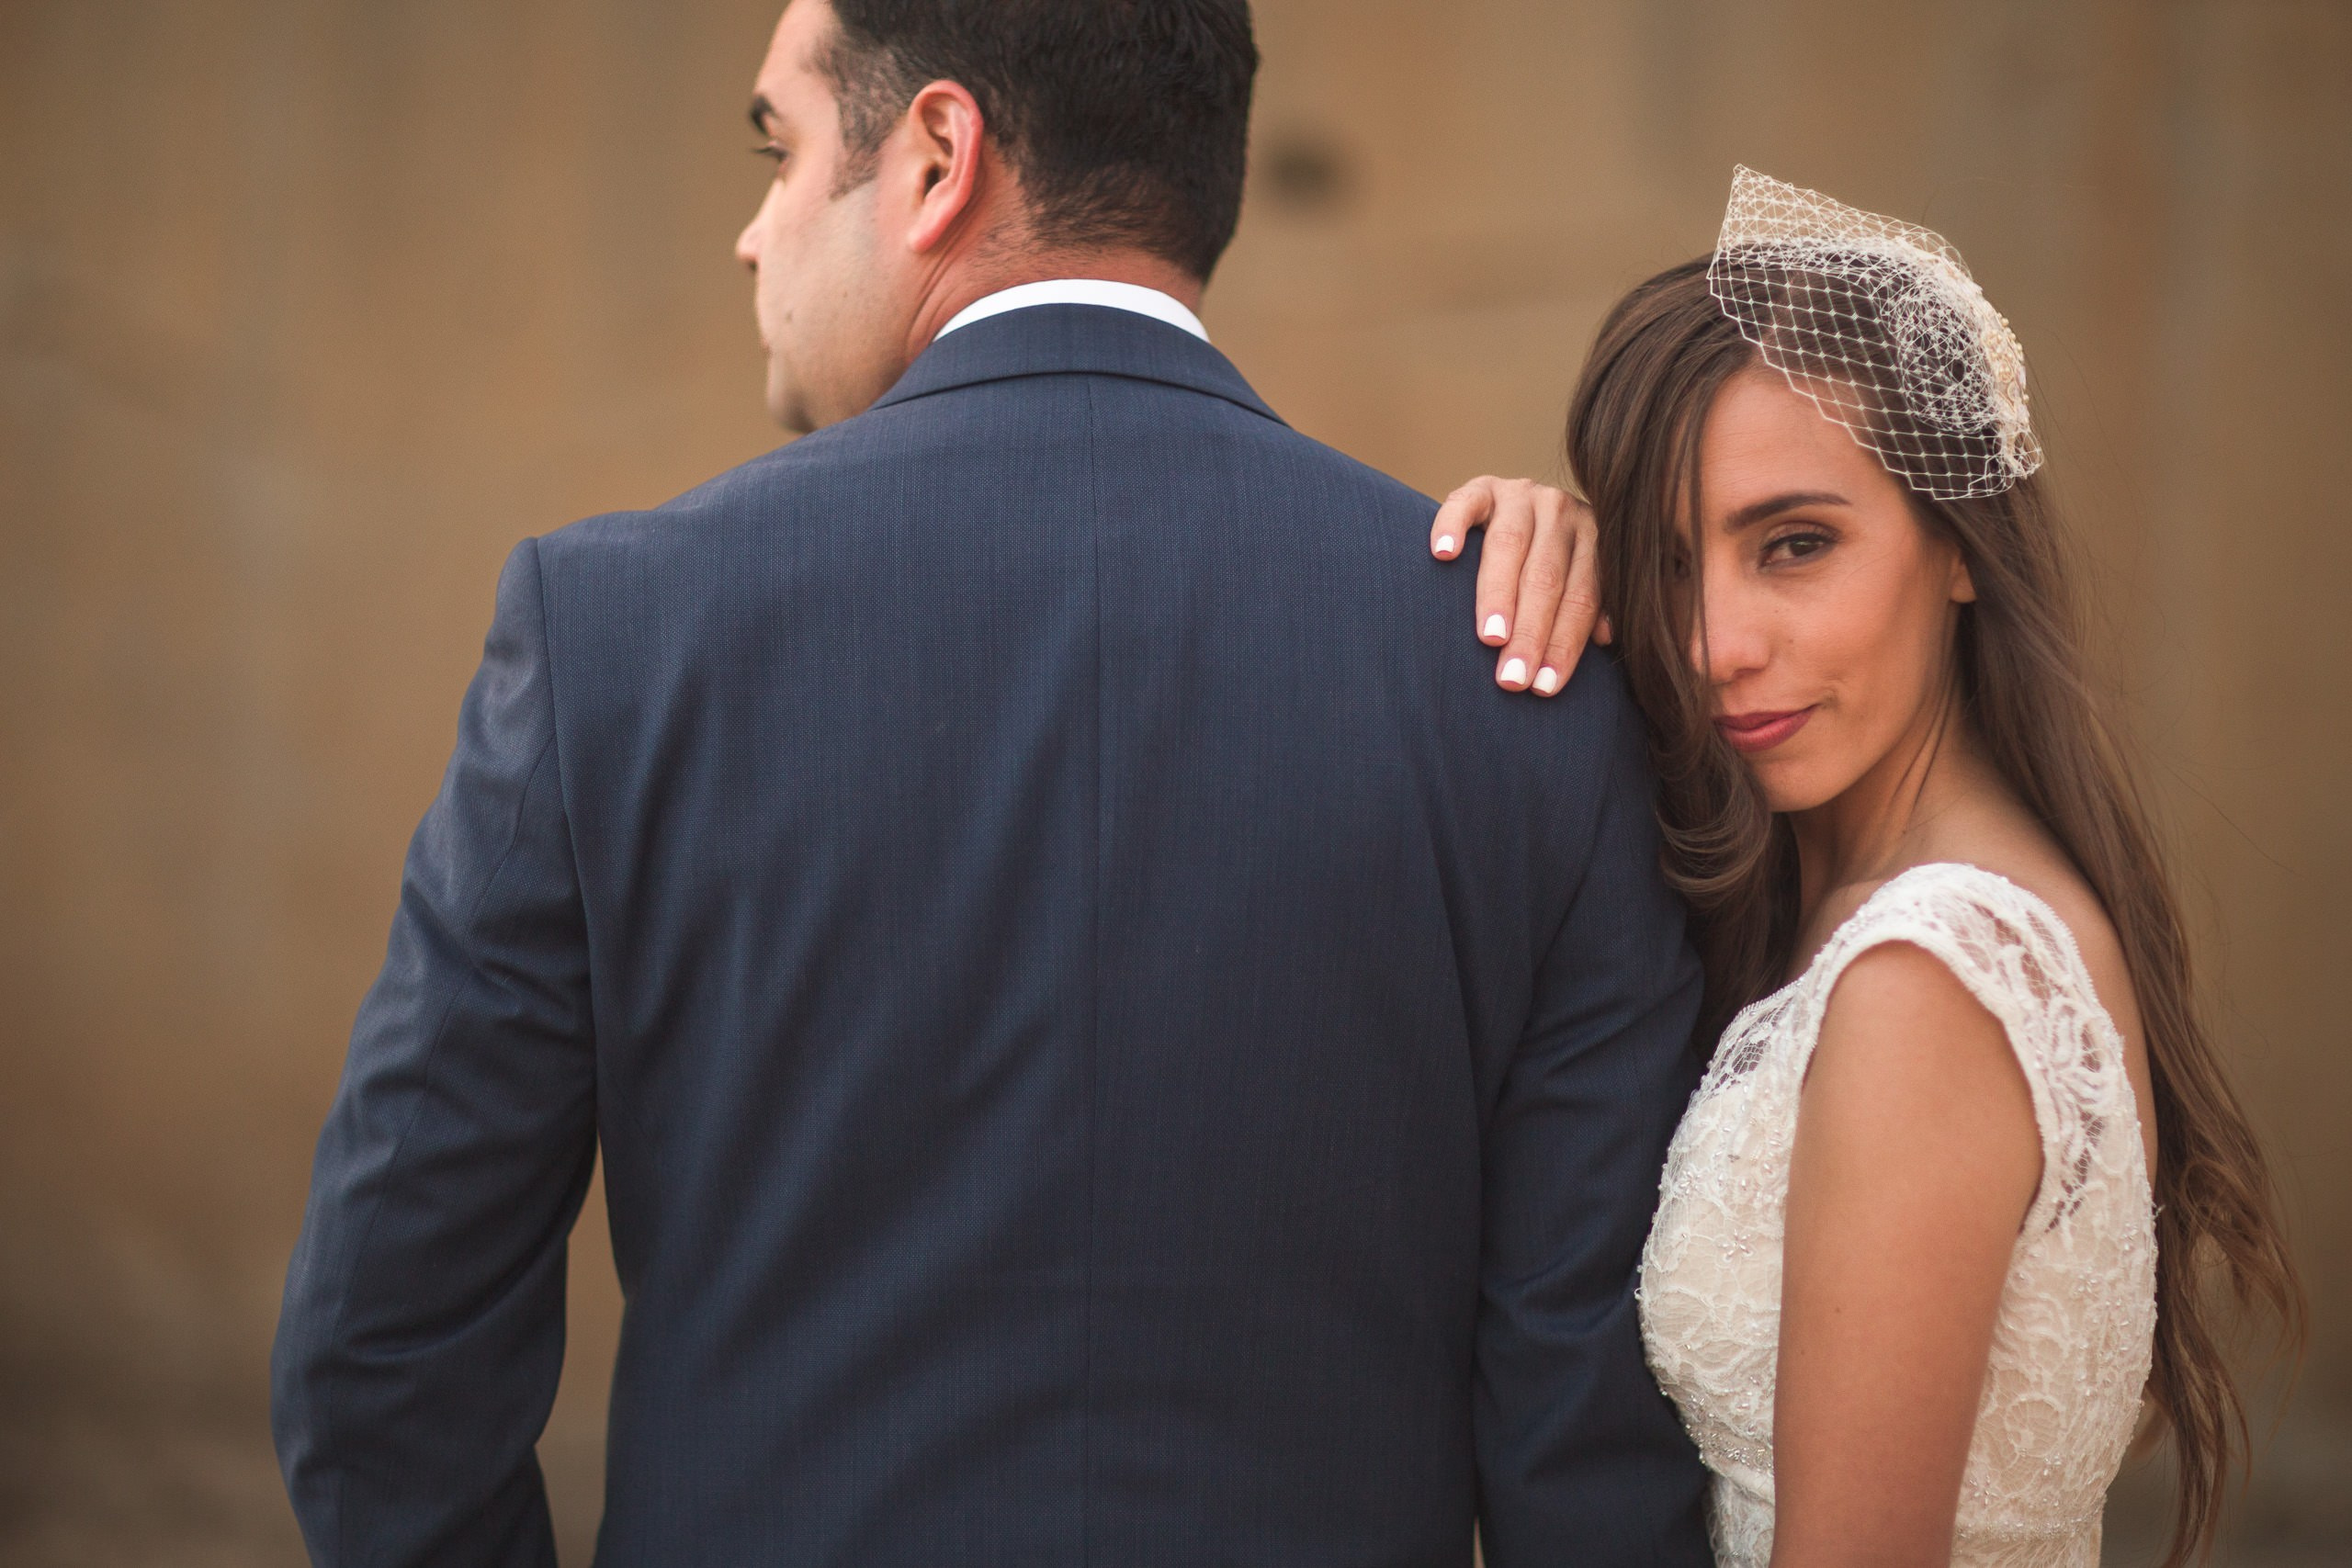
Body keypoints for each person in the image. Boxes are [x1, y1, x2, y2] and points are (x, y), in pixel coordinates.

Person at [268, 2, 1713, 1563]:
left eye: (782, 147)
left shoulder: (611, 635)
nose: (753, 237)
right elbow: (1592, 1447)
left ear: (939, 159)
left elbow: (385, 1353)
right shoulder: (1524, 675)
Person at [1430, 168, 2301, 1567]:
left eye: (1796, 545)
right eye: (1664, 565)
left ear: (1959, 545)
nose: (1715, 643)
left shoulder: (1928, 979)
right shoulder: (1852, 912)